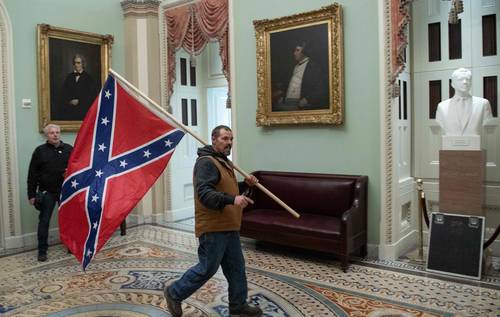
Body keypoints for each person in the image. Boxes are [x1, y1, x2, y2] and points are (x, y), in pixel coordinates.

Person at [164, 125, 262, 317]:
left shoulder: (223, 161)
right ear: (214, 139)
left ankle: (238, 305)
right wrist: (233, 200)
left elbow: (227, 189)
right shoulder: (206, 163)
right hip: (213, 227)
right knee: (207, 268)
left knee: (236, 268)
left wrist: (245, 186)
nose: (229, 143)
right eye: (225, 139)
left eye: (231, 139)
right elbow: (206, 194)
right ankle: (174, 293)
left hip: (230, 225)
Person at [27, 124, 73, 262]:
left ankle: (71, 246)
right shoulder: (39, 151)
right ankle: (42, 250)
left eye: (57, 132)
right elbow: (32, 174)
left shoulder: (69, 149)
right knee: (44, 221)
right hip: (47, 192)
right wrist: (31, 194)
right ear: (46, 135)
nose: (55, 135)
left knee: (68, 219)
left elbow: (77, 167)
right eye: (52, 133)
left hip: (66, 191)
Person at [435, 68, 493, 136]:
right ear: (453, 84)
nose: (465, 82)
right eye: (460, 79)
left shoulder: (483, 104)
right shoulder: (442, 106)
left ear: (471, 83)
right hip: (450, 144)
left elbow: (487, 122)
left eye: (468, 79)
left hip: (474, 144)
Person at [273, 41, 328, 111]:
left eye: (297, 50)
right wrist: (282, 97)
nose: (294, 53)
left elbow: (322, 88)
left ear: (305, 52)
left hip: (300, 103)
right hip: (288, 101)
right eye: (295, 50)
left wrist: (307, 100)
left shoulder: (314, 66)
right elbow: (289, 85)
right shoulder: (294, 66)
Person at [60, 54, 99, 120]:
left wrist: (79, 101)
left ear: (83, 64)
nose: (76, 65)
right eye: (74, 63)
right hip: (69, 111)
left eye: (78, 63)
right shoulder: (69, 77)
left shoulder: (89, 78)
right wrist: (69, 101)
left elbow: (91, 96)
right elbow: (63, 93)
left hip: (83, 111)